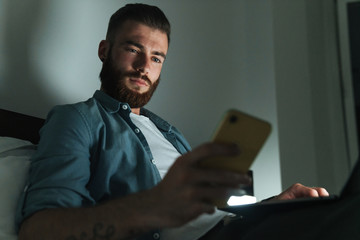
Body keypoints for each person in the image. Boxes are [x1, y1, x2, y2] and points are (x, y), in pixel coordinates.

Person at [16, 4, 329, 240]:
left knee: (330, 215)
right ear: (105, 50)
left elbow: (210, 216)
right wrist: (153, 206)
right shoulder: (78, 119)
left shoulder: (169, 132)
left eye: (156, 57)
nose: (143, 67)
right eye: (132, 49)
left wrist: (271, 206)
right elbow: (39, 228)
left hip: (233, 230)